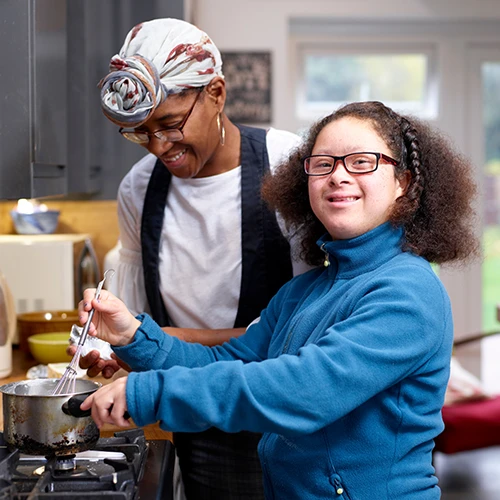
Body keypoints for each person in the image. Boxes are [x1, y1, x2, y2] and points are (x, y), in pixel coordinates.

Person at [79, 100, 478, 499]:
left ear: (402, 183)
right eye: (323, 163)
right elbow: (227, 362)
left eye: (361, 162)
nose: (338, 176)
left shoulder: (409, 291)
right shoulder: (304, 290)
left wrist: (151, 392)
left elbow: (304, 391)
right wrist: (133, 335)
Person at [73, 17, 307, 500]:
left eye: (170, 124)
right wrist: (119, 351)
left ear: (216, 93)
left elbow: (302, 334)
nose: (159, 147)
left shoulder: (288, 165)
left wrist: (160, 340)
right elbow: (138, 317)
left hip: (282, 416)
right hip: (191, 410)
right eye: (139, 132)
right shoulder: (140, 187)